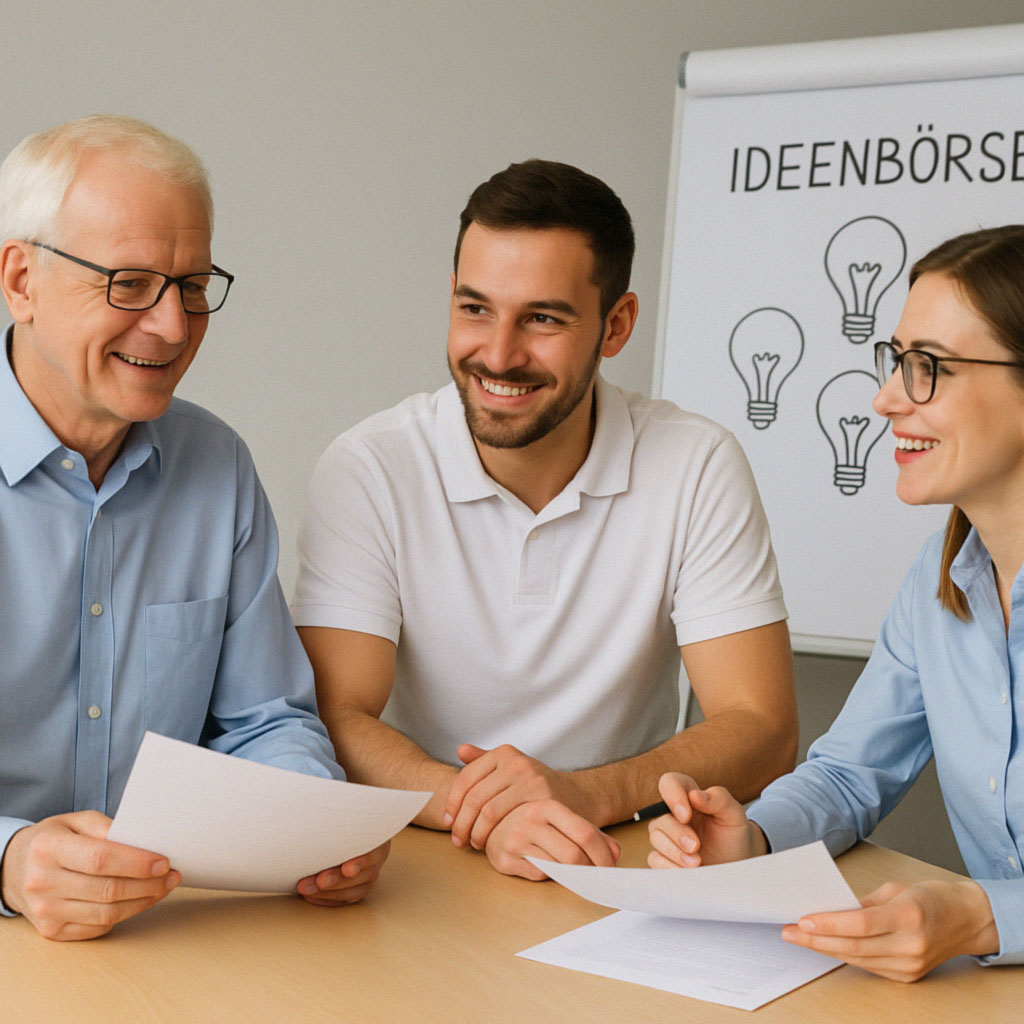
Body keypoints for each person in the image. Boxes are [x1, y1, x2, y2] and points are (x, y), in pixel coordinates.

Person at [292, 159, 797, 880]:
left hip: (617, 854)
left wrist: (578, 795)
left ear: (615, 325)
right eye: (475, 308)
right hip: (422, 858)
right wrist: (492, 811)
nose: (498, 353)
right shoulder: (369, 466)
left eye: (543, 319)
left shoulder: (696, 462)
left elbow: (766, 731)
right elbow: (333, 717)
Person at [0, 115, 387, 941]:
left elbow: (267, 719)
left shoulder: (217, 466)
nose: (174, 327)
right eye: (130, 283)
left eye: (191, 285)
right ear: (20, 279)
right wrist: (8, 863)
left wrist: (313, 822)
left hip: (170, 935)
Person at [648, 224, 1024, 979]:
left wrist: (987, 914)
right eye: (896, 361)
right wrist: (750, 840)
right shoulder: (940, 577)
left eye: (929, 369)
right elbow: (849, 777)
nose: (886, 399)